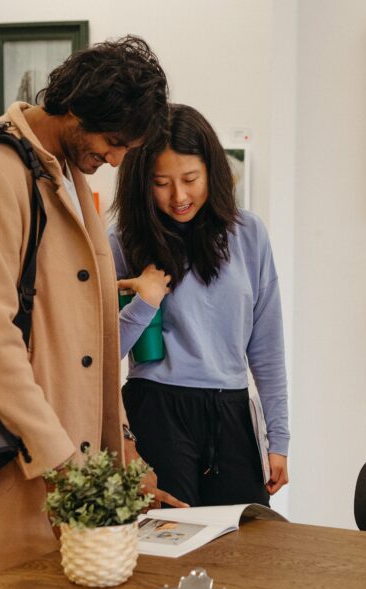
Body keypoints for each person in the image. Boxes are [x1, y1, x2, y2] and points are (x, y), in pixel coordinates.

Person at [0, 35, 182, 587]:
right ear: (76, 107)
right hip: (15, 460)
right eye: (113, 141)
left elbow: (89, 345)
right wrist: (64, 466)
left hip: (63, 460)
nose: (117, 159)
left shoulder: (62, 169)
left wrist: (123, 456)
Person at [110, 104, 289, 507]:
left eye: (190, 179)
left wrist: (278, 438)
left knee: (249, 545)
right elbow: (101, 354)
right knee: (166, 545)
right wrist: (144, 301)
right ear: (142, 183)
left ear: (212, 171)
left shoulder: (249, 234)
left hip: (233, 409)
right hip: (156, 406)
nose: (179, 196)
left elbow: (267, 345)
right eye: (161, 183)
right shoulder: (122, 240)